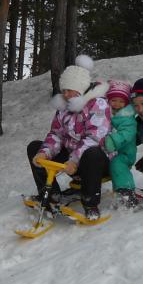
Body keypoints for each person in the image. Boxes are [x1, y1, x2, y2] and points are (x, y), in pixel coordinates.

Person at [28, 55, 111, 221]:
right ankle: (51, 196)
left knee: (93, 153)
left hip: (97, 163)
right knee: (34, 147)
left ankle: (90, 204)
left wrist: (74, 160)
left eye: (68, 90)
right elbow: (56, 134)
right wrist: (45, 152)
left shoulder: (98, 104)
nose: (65, 95)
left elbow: (95, 139)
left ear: (79, 88)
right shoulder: (64, 107)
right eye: (63, 90)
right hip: (72, 162)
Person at [101, 79, 139, 208]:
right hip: (107, 152)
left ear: (126, 103)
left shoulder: (127, 118)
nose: (117, 104)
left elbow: (126, 134)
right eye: (113, 100)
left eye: (121, 101)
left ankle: (126, 191)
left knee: (118, 164)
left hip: (124, 153)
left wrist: (111, 141)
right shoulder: (104, 113)